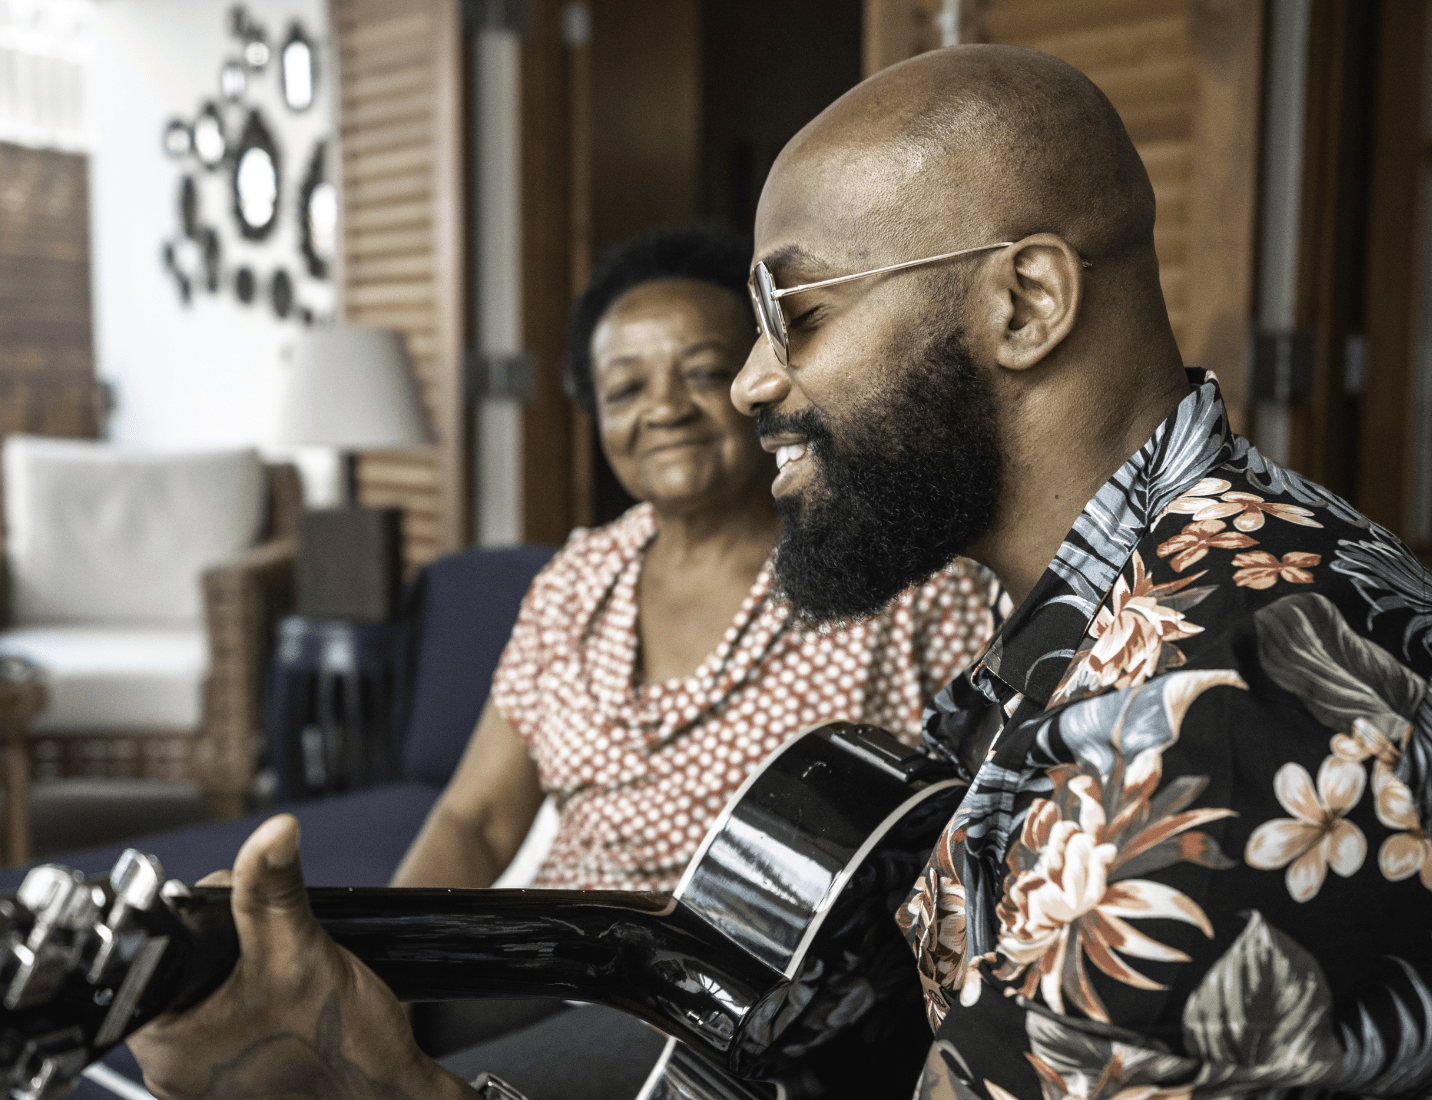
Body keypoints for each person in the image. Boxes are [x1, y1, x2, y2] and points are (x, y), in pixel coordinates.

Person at [127, 43, 1432, 1100]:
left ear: (1027, 304)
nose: (749, 385)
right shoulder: (1090, 607)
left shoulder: (1213, 729)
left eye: (794, 315)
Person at [387, 225, 991, 1089]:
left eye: (702, 371)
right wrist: (390, 963)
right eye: (625, 386)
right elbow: (476, 819)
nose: (663, 408)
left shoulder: (888, 577)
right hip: (553, 958)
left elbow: (974, 827)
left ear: (759, 378)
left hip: (742, 1000)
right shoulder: (573, 581)